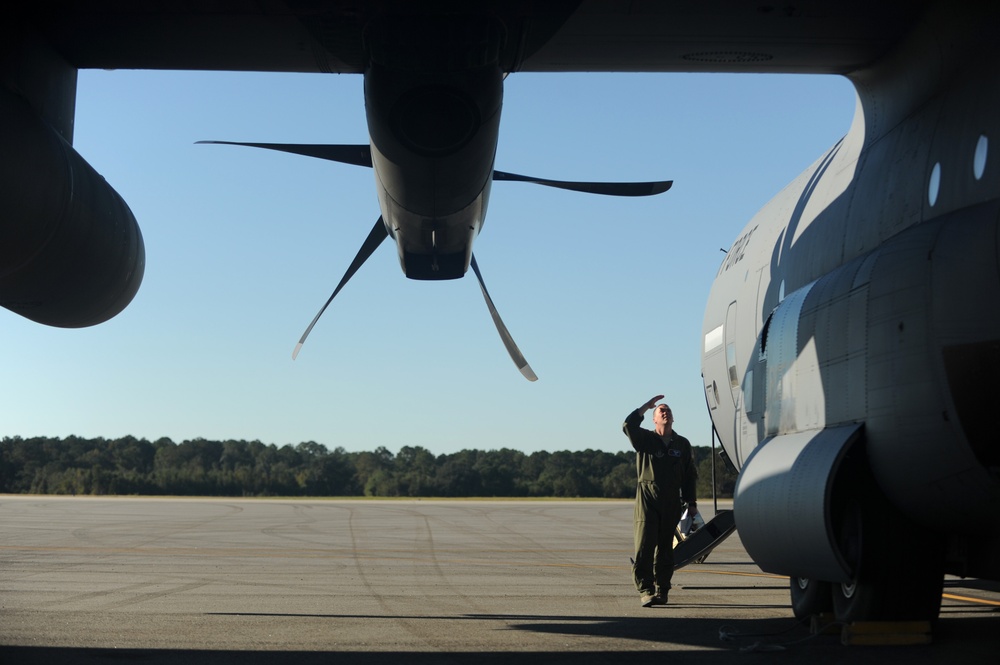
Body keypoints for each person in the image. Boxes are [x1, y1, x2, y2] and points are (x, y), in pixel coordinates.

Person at [622, 394, 698, 607]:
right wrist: (645, 407)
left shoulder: (682, 444)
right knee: (645, 547)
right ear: (654, 419)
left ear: (672, 419)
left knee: (666, 550)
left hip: (672, 502)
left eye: (668, 410)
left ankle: (663, 590)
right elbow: (628, 425)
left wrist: (691, 504)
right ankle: (646, 590)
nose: (665, 412)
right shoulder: (645, 440)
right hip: (647, 501)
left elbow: (689, 475)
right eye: (661, 410)